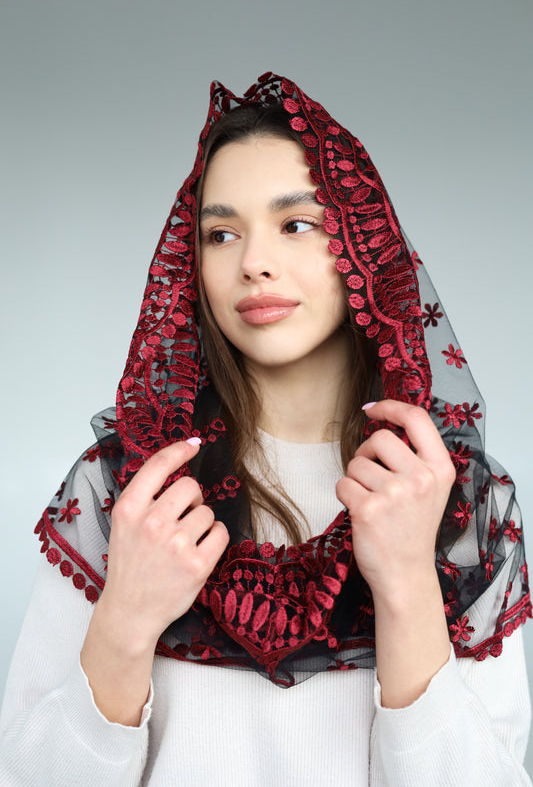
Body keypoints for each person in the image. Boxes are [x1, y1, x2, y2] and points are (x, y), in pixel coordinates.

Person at [0, 72, 531, 786]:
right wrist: (125, 618)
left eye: (296, 224)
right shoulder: (128, 489)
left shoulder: (448, 496)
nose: (253, 263)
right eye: (221, 234)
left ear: (361, 245)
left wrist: (407, 582)